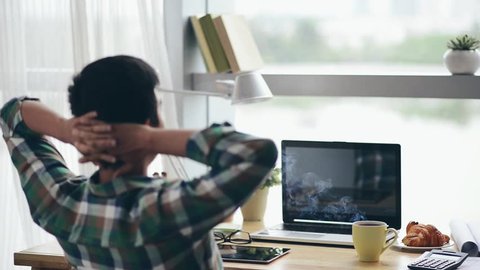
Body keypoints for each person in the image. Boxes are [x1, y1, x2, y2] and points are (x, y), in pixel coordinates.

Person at [0, 55, 277, 269]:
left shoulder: (61, 203)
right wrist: (149, 138)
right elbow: (256, 152)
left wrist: (66, 130)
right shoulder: (171, 209)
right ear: (150, 122)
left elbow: (12, 116)